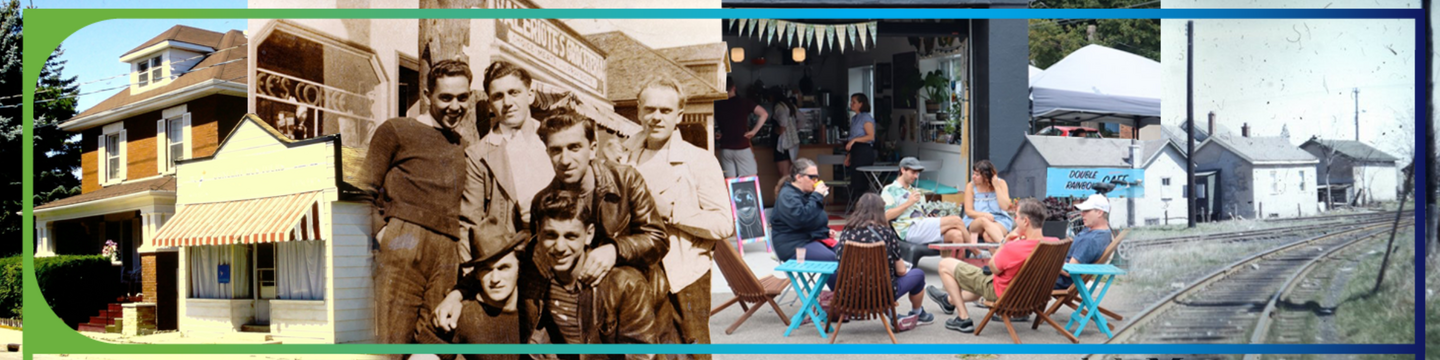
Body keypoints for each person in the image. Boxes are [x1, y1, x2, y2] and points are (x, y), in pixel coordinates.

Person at [520, 108, 675, 346]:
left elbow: (658, 238)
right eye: (556, 150)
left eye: (574, 147)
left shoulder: (626, 180)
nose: (565, 159)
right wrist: (535, 249)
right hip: (580, 310)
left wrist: (615, 249)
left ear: (592, 149)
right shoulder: (543, 201)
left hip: (634, 304)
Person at [359, 59, 471, 354]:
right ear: (426, 95)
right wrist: (385, 235)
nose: (455, 106)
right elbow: (361, 191)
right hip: (405, 243)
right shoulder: (396, 130)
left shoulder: (462, 145)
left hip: (448, 253)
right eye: (445, 97)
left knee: (435, 344)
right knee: (391, 345)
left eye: (462, 97)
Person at [623, 75, 735, 352]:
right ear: (638, 111)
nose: (656, 117)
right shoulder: (623, 157)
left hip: (683, 276)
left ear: (679, 115)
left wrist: (672, 212)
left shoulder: (699, 160)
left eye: (665, 110)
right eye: (649, 109)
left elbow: (723, 224)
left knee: (689, 352)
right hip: (634, 272)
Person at [524, 190, 681, 353]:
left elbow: (641, 356)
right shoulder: (534, 279)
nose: (560, 247)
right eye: (551, 235)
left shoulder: (625, 286)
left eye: (571, 236)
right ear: (539, 232)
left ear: (589, 234)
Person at [925, 198, 1051, 333]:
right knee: (978, 278)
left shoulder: (1014, 247)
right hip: (1031, 296)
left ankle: (963, 318)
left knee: (945, 264)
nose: (1015, 220)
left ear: (1025, 221)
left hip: (1002, 293)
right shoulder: (1054, 244)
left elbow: (993, 268)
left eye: (1017, 217)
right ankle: (949, 301)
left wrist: (1005, 243)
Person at [469, 60, 556, 225]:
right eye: (498, 96)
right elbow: (469, 222)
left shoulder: (553, 138)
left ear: (530, 95)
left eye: (514, 93)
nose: (507, 103)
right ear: (490, 104)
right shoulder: (478, 155)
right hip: (511, 246)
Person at [418, 230, 527, 360]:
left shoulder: (536, 310)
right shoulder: (463, 315)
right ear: (476, 274)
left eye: (504, 268)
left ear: (520, 269)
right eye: (486, 269)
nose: (495, 278)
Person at [834, 193, 934, 325]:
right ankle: (917, 313)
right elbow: (901, 271)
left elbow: (840, 261)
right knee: (918, 274)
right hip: (882, 296)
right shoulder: (886, 233)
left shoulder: (847, 232)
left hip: (849, 295)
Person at [881, 157, 973, 255]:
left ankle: (956, 268)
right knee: (956, 220)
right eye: (913, 172)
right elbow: (885, 216)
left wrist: (930, 216)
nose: (916, 176)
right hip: (908, 229)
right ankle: (976, 252)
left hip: (922, 226)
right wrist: (908, 203)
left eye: (917, 173)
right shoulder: (890, 189)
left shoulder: (916, 191)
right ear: (903, 170)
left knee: (956, 235)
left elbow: (922, 216)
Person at [1055, 194, 1113, 290]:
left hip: (1058, 280)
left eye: (1086, 211)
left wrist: (1049, 261)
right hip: (1060, 277)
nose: (1082, 214)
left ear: (1099, 212)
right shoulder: (1102, 232)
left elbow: (1070, 270)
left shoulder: (1091, 239)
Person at [715, 76, 769, 178]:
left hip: (725, 148)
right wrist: (754, 131)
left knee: (730, 182)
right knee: (749, 180)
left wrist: (717, 134)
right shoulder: (744, 102)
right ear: (734, 87)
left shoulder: (717, 105)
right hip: (742, 146)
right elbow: (764, 114)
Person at [964, 159, 1014, 244]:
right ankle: (1004, 243)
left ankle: (997, 257)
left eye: (977, 175)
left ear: (986, 177)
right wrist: (984, 215)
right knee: (984, 221)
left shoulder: (1001, 183)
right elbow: (968, 211)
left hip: (999, 220)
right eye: (973, 174)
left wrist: (996, 187)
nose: (973, 177)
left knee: (988, 236)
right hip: (977, 220)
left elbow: (1005, 206)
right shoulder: (970, 186)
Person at [844, 93, 876, 196]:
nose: (851, 104)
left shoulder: (865, 118)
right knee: (855, 180)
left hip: (864, 151)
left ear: (861, 104)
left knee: (861, 180)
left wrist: (854, 140)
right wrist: (849, 155)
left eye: (854, 102)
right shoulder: (854, 119)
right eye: (851, 101)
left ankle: (863, 205)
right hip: (855, 151)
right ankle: (856, 205)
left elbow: (871, 136)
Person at [769, 87, 801, 180]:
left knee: (784, 175)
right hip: (791, 143)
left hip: (782, 144)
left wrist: (780, 131)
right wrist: (795, 129)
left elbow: (783, 122)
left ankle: (786, 193)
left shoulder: (779, 107)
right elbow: (802, 119)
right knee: (790, 172)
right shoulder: (790, 106)